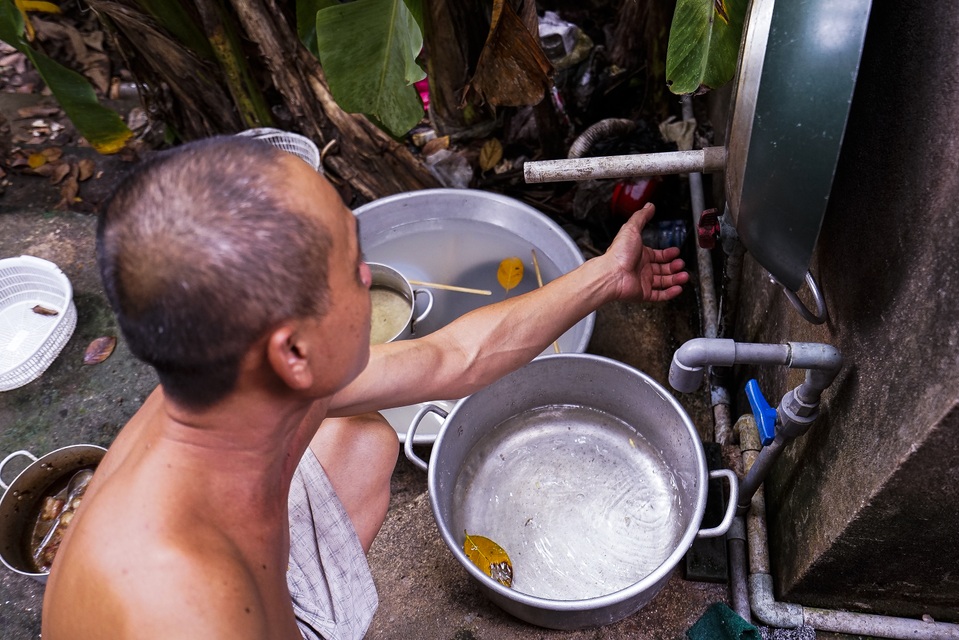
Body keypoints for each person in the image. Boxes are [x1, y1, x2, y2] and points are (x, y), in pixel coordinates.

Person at [41, 136, 689, 640]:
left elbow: (451, 356)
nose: (366, 273)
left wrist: (604, 278)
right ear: (293, 351)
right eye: (350, 265)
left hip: (248, 577)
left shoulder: (240, 386)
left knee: (362, 438)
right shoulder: (187, 608)